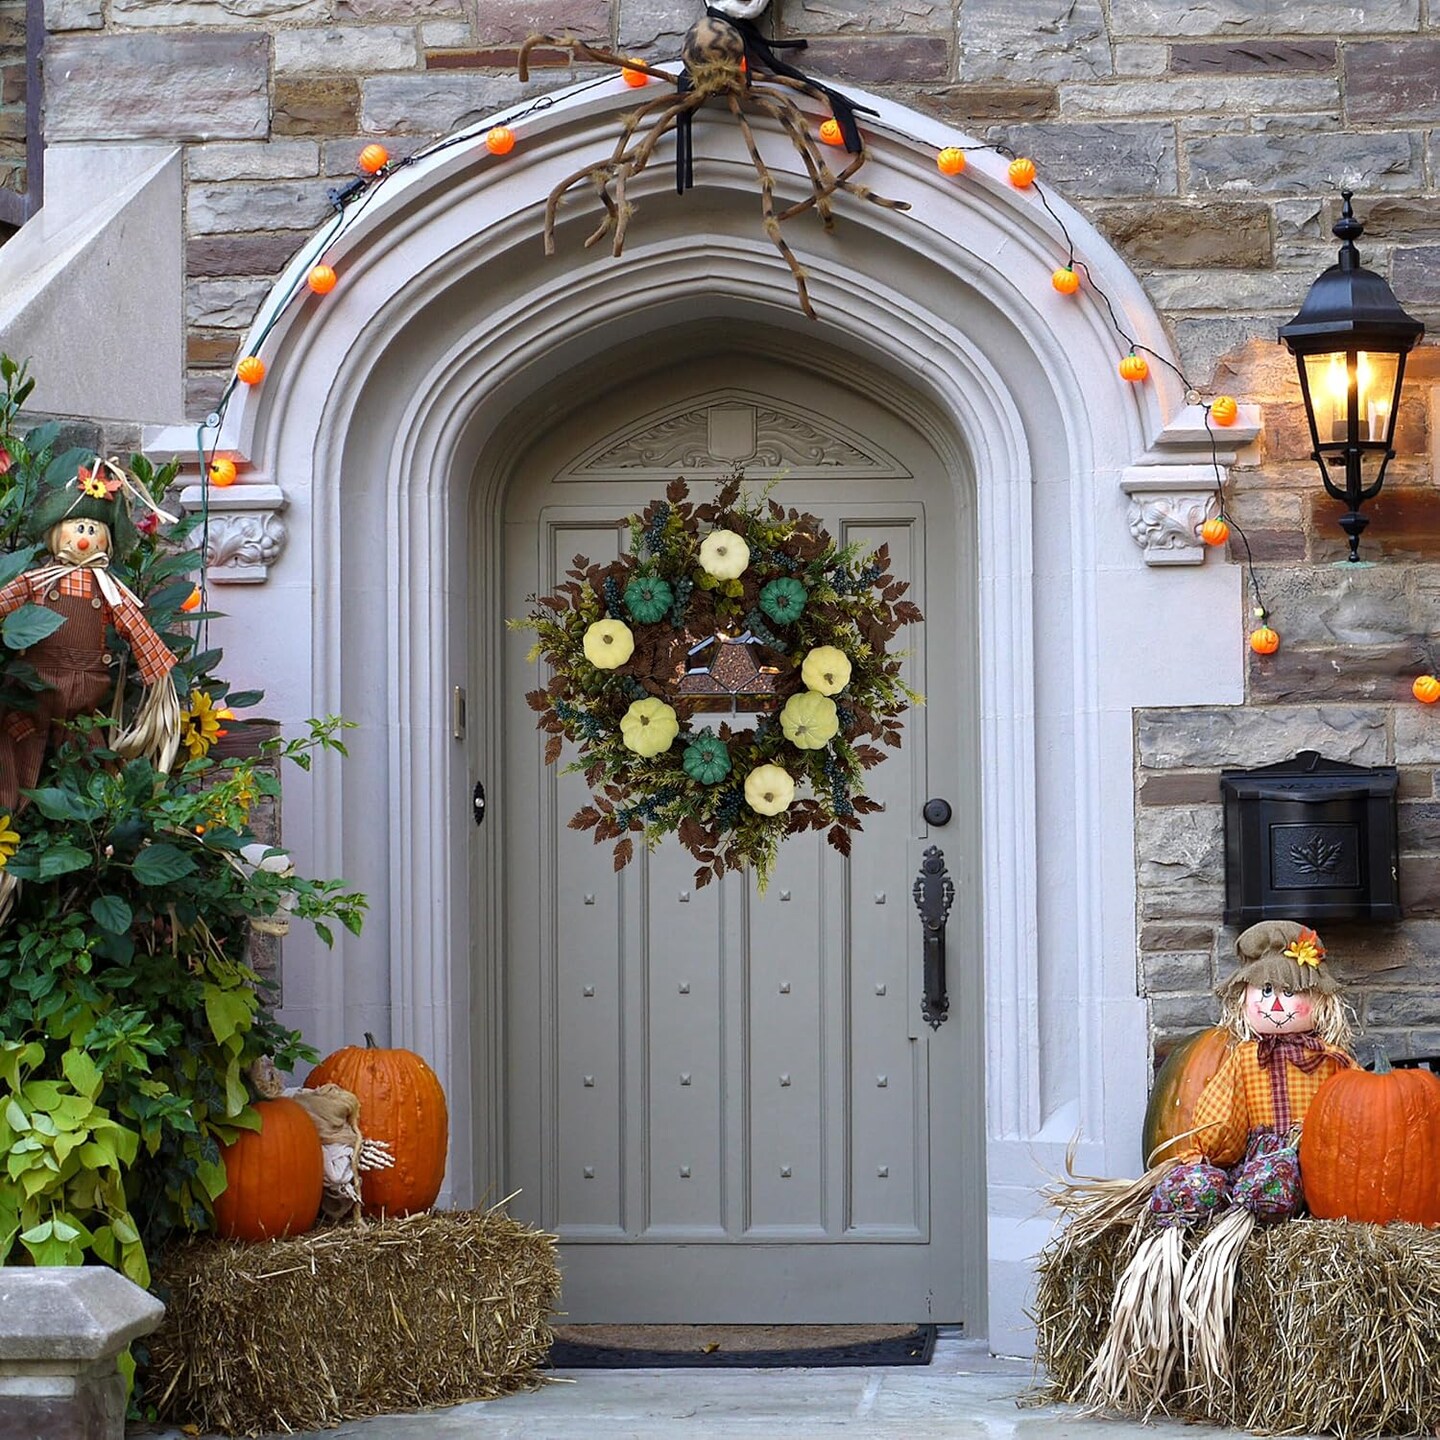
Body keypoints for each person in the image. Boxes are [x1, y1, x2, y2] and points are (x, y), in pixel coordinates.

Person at [0, 462, 180, 813]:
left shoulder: (109, 591)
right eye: (78, 527)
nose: (84, 537)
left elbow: (135, 625)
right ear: (58, 534)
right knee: (16, 738)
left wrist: (158, 671)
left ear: (105, 540)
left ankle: (93, 826)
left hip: (85, 692)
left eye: (92, 529)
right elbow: (8, 598)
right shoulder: (38, 581)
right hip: (34, 684)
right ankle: (10, 818)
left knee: (87, 755)